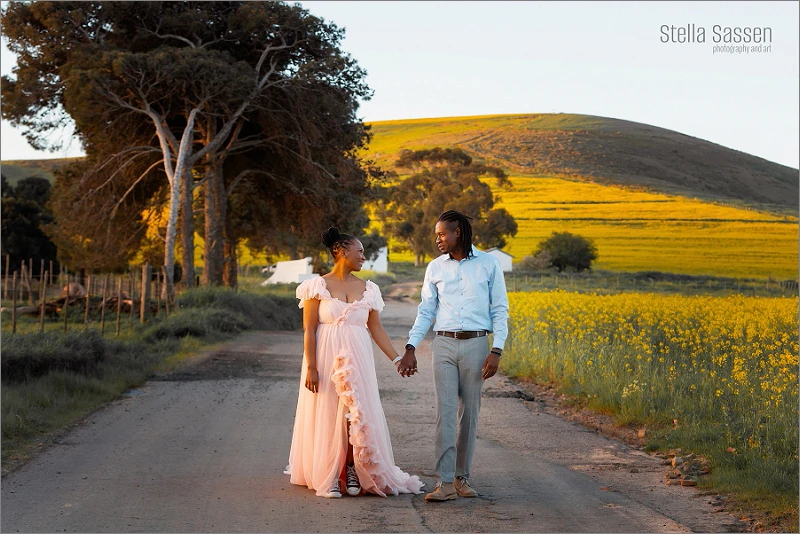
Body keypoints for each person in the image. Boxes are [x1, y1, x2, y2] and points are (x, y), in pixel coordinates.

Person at [285, 227, 424, 499]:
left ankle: (351, 467)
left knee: (355, 413)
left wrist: (396, 358)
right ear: (341, 251)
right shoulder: (317, 286)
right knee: (328, 412)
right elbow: (309, 330)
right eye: (359, 251)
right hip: (326, 356)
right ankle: (332, 472)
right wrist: (312, 367)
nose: (364, 256)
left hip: (358, 357)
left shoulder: (369, 288)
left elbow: (377, 330)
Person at [397, 210, 509, 502]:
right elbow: (426, 311)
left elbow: (499, 309)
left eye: (442, 234)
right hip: (444, 344)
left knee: (469, 415)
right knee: (444, 414)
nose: (437, 240)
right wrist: (410, 347)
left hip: (476, 344)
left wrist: (497, 349)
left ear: (457, 232)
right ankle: (445, 483)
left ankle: (462, 478)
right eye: (436, 235)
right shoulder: (434, 267)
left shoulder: (488, 263)